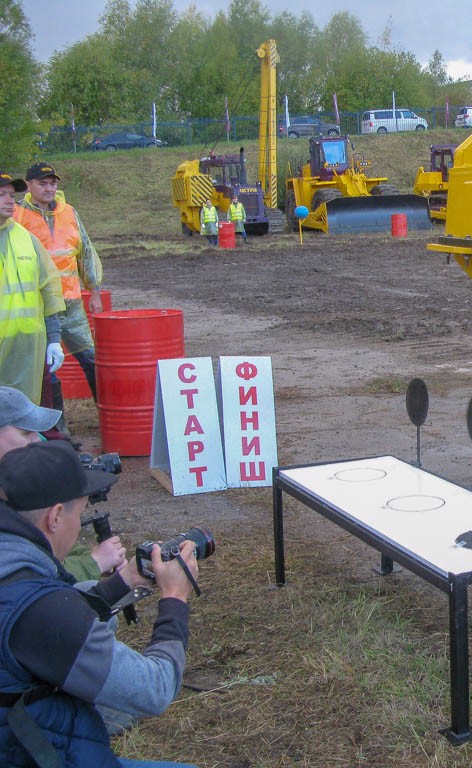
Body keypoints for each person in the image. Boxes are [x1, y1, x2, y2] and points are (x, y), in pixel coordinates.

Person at [0, 441, 200, 767]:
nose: (79, 526)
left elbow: (38, 614)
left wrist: (123, 582)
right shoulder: (46, 614)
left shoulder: (13, 563)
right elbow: (154, 689)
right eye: (79, 513)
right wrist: (175, 599)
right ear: (56, 516)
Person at [0, 386, 126, 581]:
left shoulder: (14, 486)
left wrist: (92, 557)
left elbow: (46, 539)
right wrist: (93, 563)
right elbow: (27, 577)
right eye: (26, 433)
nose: (38, 442)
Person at [14, 162, 104, 411]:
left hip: (72, 303)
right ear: (29, 185)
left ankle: (106, 412)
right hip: (38, 306)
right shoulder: (17, 216)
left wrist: (93, 291)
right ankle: (57, 427)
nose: (49, 188)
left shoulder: (69, 213)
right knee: (46, 368)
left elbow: (85, 252)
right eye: (42, 183)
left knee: (91, 359)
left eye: (52, 183)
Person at [0, 171, 65, 405]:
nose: (10, 201)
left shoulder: (26, 239)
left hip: (27, 346)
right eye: (1, 195)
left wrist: (54, 338)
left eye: (11, 195)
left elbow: (48, 289)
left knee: (25, 413)